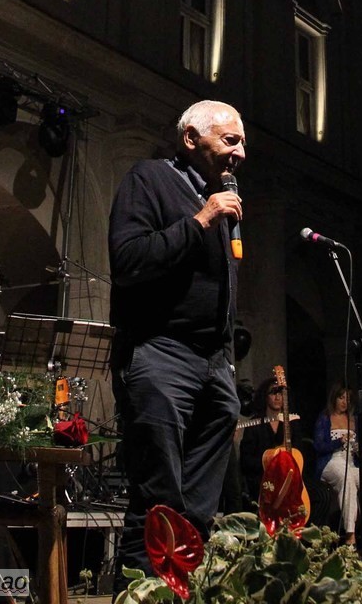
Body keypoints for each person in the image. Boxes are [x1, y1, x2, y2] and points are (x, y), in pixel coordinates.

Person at [108, 100, 245, 580]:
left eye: (243, 142)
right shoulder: (148, 179)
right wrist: (201, 220)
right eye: (231, 140)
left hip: (213, 362)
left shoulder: (221, 195)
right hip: (159, 350)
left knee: (200, 506)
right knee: (158, 497)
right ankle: (142, 591)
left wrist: (226, 358)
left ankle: (184, 584)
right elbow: (128, 262)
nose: (241, 153)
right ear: (191, 138)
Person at [239, 376, 333, 525]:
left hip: (291, 479)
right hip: (265, 480)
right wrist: (268, 462)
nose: (278, 397)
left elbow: (300, 452)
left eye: (281, 393)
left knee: (322, 495)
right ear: (265, 396)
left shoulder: (292, 422)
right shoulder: (254, 424)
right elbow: (245, 461)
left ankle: (307, 539)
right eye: (273, 392)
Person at [313, 382, 362, 548]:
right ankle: (350, 534)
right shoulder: (325, 418)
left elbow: (357, 447)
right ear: (334, 398)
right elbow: (318, 446)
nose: (344, 402)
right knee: (347, 481)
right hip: (331, 461)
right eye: (341, 397)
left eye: (348, 399)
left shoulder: (353, 420)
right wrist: (338, 442)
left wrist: (361, 451)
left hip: (350, 462)